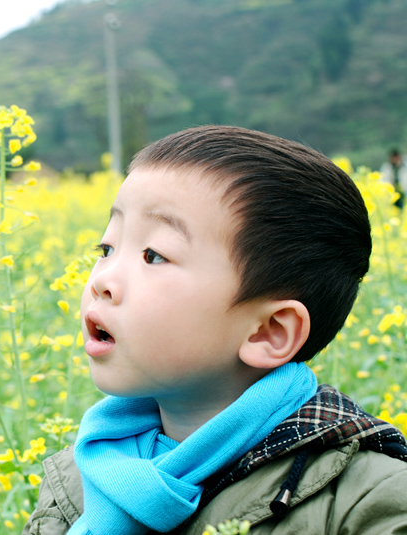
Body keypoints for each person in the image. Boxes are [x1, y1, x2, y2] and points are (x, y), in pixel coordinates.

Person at [22, 126, 407, 535]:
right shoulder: (79, 475)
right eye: (107, 249)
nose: (102, 280)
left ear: (268, 331)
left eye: (153, 255)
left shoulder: (366, 505)